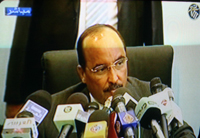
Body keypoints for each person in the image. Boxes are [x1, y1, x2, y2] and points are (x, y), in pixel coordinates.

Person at [4, 0, 163, 118]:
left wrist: (156, 99)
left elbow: (154, 31)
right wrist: (15, 98)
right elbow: (23, 29)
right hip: (58, 80)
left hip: (121, 87)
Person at [38, 24, 195, 138]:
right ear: (82, 74)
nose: (114, 78)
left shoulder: (153, 97)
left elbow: (183, 133)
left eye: (119, 63)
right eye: (100, 69)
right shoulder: (51, 113)